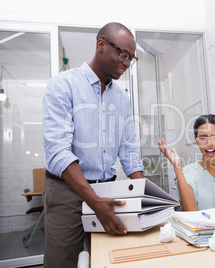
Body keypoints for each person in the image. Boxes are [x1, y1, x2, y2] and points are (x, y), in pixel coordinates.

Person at [42, 22, 144, 267]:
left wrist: (143, 196)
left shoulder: (121, 98)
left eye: (132, 58)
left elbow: (130, 151)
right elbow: (58, 152)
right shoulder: (63, 85)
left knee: (108, 259)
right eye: (123, 55)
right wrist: (93, 201)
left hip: (108, 191)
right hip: (67, 192)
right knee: (62, 262)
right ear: (101, 45)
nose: (127, 63)